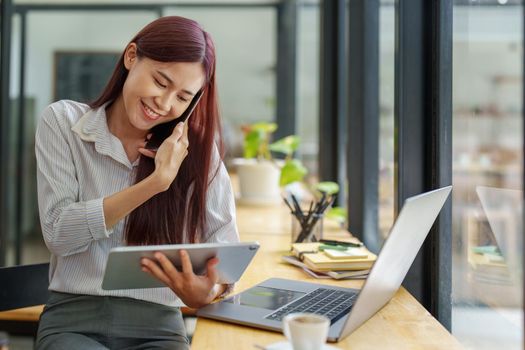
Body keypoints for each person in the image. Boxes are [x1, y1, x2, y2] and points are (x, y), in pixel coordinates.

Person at [34, 16, 239, 349]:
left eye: (183, 97)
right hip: (73, 320)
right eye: (160, 81)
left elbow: (227, 252)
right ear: (131, 57)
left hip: (159, 326)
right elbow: (58, 234)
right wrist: (155, 183)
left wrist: (209, 291)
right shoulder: (64, 122)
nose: (165, 103)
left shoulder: (198, 152)